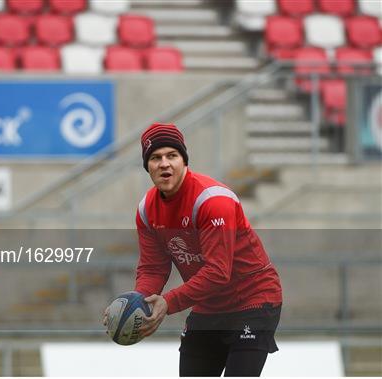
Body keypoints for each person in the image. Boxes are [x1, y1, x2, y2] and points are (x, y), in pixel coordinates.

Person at [106, 123, 283, 376]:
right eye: (155, 158)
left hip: (252, 300)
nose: (164, 164)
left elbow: (218, 271)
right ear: (147, 166)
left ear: (184, 161)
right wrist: (136, 305)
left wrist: (167, 302)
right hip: (208, 305)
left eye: (172, 156)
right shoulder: (147, 210)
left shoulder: (212, 200)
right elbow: (153, 268)